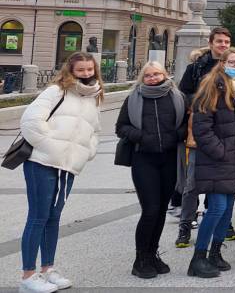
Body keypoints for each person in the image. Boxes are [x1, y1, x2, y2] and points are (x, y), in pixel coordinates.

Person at [17, 52, 102, 293]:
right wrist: (53, 148)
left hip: (69, 166)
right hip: (41, 162)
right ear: (70, 70)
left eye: (89, 69)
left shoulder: (94, 97)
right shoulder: (56, 91)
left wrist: (86, 152)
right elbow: (31, 121)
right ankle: (28, 276)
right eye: (81, 70)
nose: (86, 74)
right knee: (38, 216)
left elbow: (95, 131)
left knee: (54, 217)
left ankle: (48, 269)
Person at [186, 48, 235, 279]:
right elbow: (202, 128)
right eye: (231, 62)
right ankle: (198, 258)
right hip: (217, 160)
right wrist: (221, 152)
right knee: (216, 208)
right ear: (222, 63)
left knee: (228, 210)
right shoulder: (211, 87)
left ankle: (215, 252)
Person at [115, 62, 187, 279]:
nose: (153, 78)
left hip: (169, 159)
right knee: (150, 210)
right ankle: (140, 259)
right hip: (144, 159)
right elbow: (121, 127)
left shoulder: (177, 97)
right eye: (148, 75)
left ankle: (152, 254)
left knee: (162, 209)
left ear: (165, 75)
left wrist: (175, 136)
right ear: (142, 78)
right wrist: (141, 137)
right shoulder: (133, 99)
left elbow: (187, 124)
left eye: (157, 74)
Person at [176, 27, 235, 248]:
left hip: (225, 132)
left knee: (221, 182)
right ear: (211, 43)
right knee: (192, 182)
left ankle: (222, 222)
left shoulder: (233, 69)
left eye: (226, 42)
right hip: (200, 132)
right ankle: (185, 224)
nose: (223, 45)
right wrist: (205, 101)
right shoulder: (196, 68)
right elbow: (183, 95)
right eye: (219, 41)